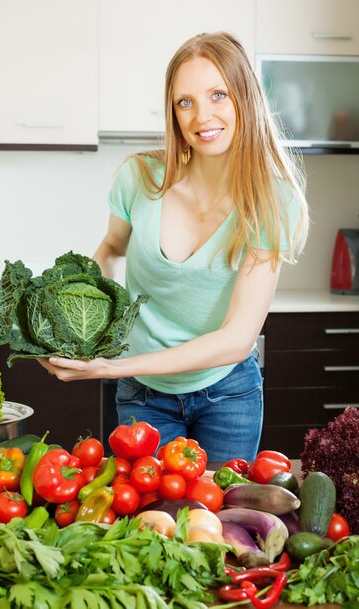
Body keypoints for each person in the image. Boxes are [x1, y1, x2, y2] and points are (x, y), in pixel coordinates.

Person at [40, 32, 309, 462]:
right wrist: (77, 326)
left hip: (228, 396)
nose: (202, 116)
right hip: (144, 400)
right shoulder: (140, 178)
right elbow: (110, 248)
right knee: (151, 525)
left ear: (244, 97)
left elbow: (237, 339)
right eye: (185, 102)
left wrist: (111, 368)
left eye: (218, 94)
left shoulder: (272, 203)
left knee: (217, 526)